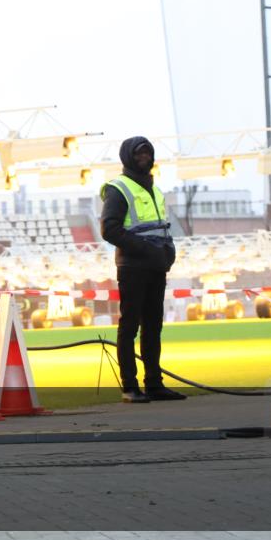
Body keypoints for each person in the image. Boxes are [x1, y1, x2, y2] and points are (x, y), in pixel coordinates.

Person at [100, 137, 187, 403]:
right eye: (139, 153)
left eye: (148, 152)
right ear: (128, 157)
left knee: (153, 327)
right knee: (130, 327)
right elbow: (109, 230)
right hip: (132, 267)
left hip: (155, 267)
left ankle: (154, 384)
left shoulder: (154, 189)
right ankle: (129, 386)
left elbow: (161, 227)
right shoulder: (119, 188)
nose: (144, 156)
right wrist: (147, 250)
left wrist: (168, 251)